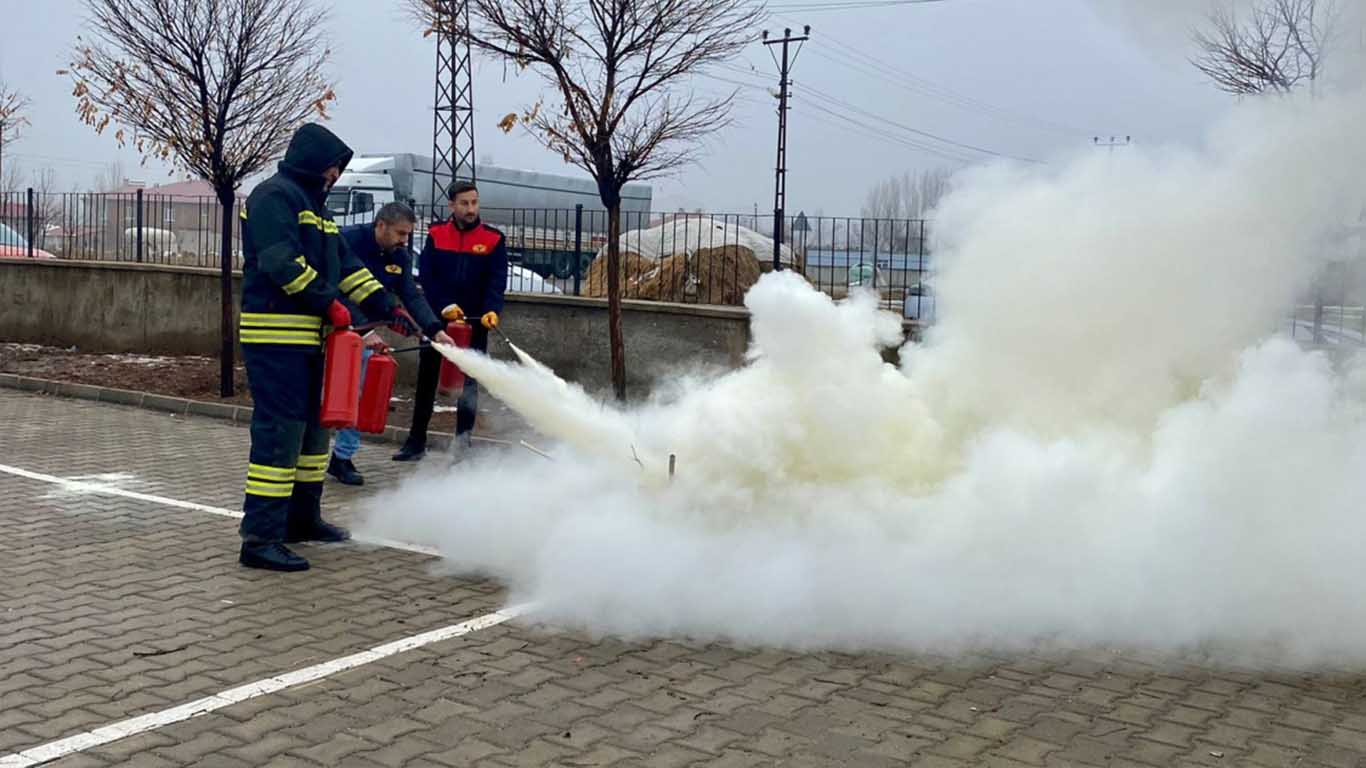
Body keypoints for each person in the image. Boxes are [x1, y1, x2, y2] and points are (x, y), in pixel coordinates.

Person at [237, 123, 419, 572]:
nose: (336, 175)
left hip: (313, 341)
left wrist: (387, 304)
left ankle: (302, 518)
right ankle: (259, 538)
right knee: (280, 435)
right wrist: (331, 304)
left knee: (316, 431)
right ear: (316, 162)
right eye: (334, 167)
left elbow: (347, 266)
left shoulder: (317, 210)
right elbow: (281, 262)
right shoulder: (273, 197)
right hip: (276, 338)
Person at [327, 203, 452, 485]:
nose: (405, 241)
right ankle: (305, 454)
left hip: (366, 333)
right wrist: (358, 329)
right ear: (380, 225)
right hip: (333, 325)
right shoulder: (346, 241)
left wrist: (434, 330)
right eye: (400, 233)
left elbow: (410, 294)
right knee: (328, 393)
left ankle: (342, 458)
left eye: (408, 235)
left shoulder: (400, 255)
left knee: (360, 392)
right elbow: (333, 289)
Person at [392, 181, 507, 462]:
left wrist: (492, 310)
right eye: (465, 203)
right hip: (437, 320)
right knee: (427, 378)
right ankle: (415, 441)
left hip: (475, 323)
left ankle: (462, 445)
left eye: (474, 202)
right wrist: (444, 306)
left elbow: (496, 281)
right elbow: (428, 277)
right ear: (452, 206)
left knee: (468, 383)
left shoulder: (493, 239)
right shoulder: (436, 234)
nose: (471, 209)